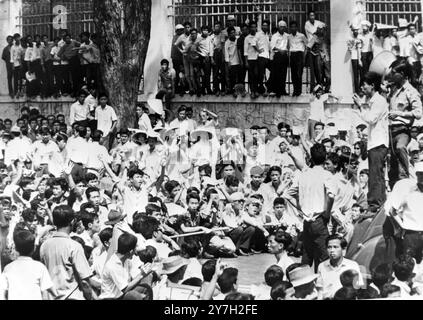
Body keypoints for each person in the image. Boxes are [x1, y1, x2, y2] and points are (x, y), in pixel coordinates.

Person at [287, 144, 336, 270]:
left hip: (307, 221)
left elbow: (289, 195)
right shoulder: (327, 175)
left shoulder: (304, 173)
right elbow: (331, 196)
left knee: (307, 256)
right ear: (325, 157)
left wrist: (301, 209)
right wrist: (327, 213)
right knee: (324, 257)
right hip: (319, 218)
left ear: (311, 158)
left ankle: (303, 284)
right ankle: (323, 284)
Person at [40, 205, 99, 300]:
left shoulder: (44, 246)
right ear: (72, 222)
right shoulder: (74, 246)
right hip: (72, 296)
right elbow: (84, 282)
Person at [353, 72, 389, 214]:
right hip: (375, 143)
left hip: (378, 143)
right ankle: (376, 202)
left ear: (372, 86)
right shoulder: (375, 101)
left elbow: (371, 119)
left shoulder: (379, 101)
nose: (363, 88)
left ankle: (375, 204)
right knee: (376, 174)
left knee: (376, 175)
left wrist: (361, 107)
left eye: (364, 85)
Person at [387, 60, 423, 187]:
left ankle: (406, 179)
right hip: (391, 130)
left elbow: (418, 112)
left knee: (400, 148)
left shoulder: (411, 91)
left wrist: (400, 114)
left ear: (402, 74)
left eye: (394, 73)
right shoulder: (394, 89)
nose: (391, 75)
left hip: (402, 130)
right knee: (392, 162)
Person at [0, 230, 55, 300]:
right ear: (34, 248)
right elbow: (46, 293)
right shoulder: (40, 267)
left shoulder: (8, 268)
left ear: (16, 248)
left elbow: (2, 293)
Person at [100, 233, 152, 300]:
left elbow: (132, 281)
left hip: (122, 294)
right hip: (111, 298)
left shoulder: (126, 261)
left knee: (147, 285)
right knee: (134, 295)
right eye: (135, 248)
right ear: (130, 251)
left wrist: (143, 273)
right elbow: (125, 289)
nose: (136, 252)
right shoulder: (113, 265)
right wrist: (141, 275)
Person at [316, 234, 364, 300]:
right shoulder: (321, 266)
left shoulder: (352, 265)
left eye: (335, 247)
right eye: (329, 247)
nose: (332, 250)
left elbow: (359, 288)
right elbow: (320, 291)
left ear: (343, 250)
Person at [305, 11, 326, 91]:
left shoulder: (318, 22)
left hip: (318, 46)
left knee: (319, 68)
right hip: (311, 47)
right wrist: (319, 29)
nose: (312, 17)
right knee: (312, 69)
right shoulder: (307, 24)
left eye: (313, 15)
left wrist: (322, 29)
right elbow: (315, 32)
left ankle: (320, 85)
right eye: (310, 15)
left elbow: (324, 25)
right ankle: (312, 87)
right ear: (308, 16)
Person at [269, 20, 289, 97]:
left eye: (284, 27)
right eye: (281, 27)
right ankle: (277, 91)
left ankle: (283, 90)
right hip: (277, 56)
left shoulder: (287, 36)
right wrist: (280, 50)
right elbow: (272, 46)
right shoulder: (275, 36)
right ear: (278, 27)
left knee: (283, 74)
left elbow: (288, 45)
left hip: (284, 56)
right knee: (277, 74)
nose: (282, 28)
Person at [289, 21, 307, 97]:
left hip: (300, 55)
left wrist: (304, 56)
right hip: (292, 55)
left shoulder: (301, 36)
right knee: (293, 74)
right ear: (290, 28)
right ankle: (295, 90)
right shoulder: (289, 36)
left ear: (297, 28)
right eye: (292, 27)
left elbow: (307, 46)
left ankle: (298, 91)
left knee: (299, 73)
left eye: (294, 27)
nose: (293, 28)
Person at [244, 21, 260, 99]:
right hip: (250, 59)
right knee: (251, 76)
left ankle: (256, 90)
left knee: (257, 75)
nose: (253, 28)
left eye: (254, 27)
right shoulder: (247, 38)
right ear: (250, 28)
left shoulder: (258, 36)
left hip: (257, 59)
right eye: (252, 27)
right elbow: (245, 51)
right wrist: (246, 61)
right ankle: (252, 91)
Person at [347, 24, 363, 94]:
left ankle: (360, 88)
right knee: (356, 75)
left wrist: (359, 59)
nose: (356, 31)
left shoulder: (358, 39)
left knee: (360, 74)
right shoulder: (351, 39)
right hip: (354, 58)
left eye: (357, 30)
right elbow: (350, 49)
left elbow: (359, 50)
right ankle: (357, 90)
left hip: (357, 58)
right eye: (354, 30)